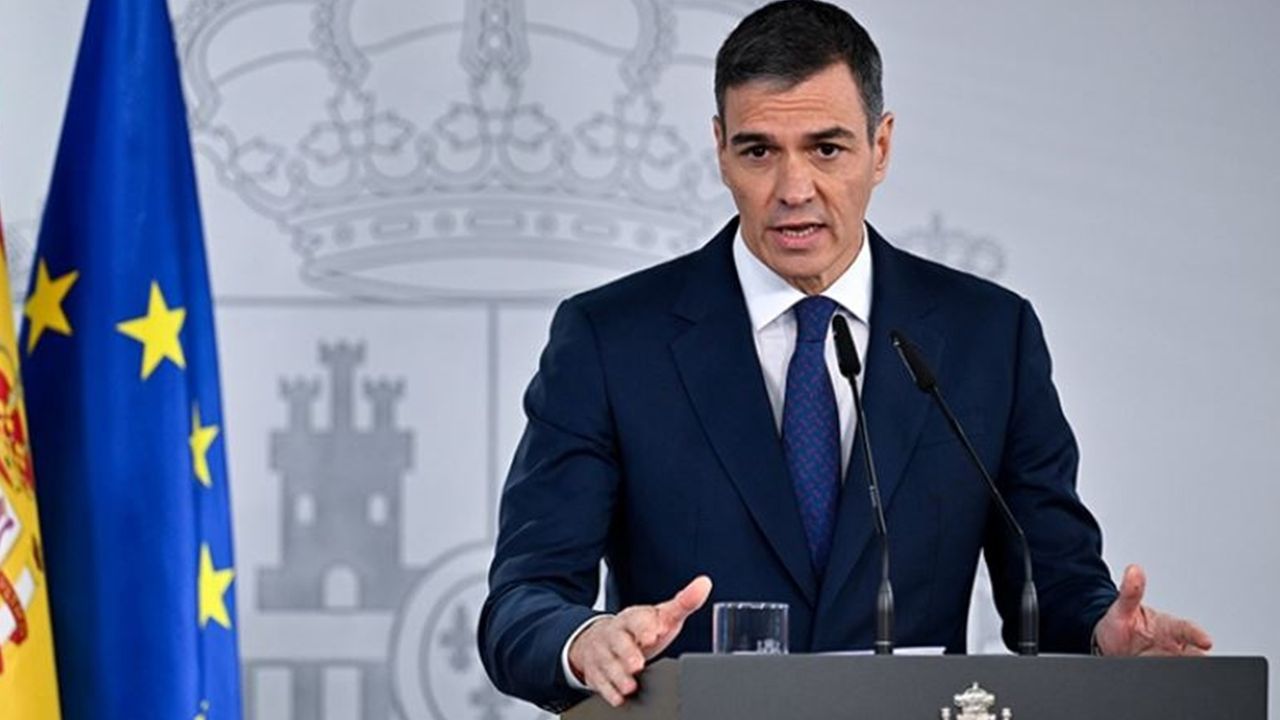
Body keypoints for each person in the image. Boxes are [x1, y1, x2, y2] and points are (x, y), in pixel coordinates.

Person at [477, 0, 1212, 712]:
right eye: (759, 151)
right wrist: (584, 640)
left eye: (826, 149)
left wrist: (1102, 634)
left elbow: (1051, 581)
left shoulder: (990, 336)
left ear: (880, 147)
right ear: (720, 150)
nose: (794, 190)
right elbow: (522, 601)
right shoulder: (610, 340)